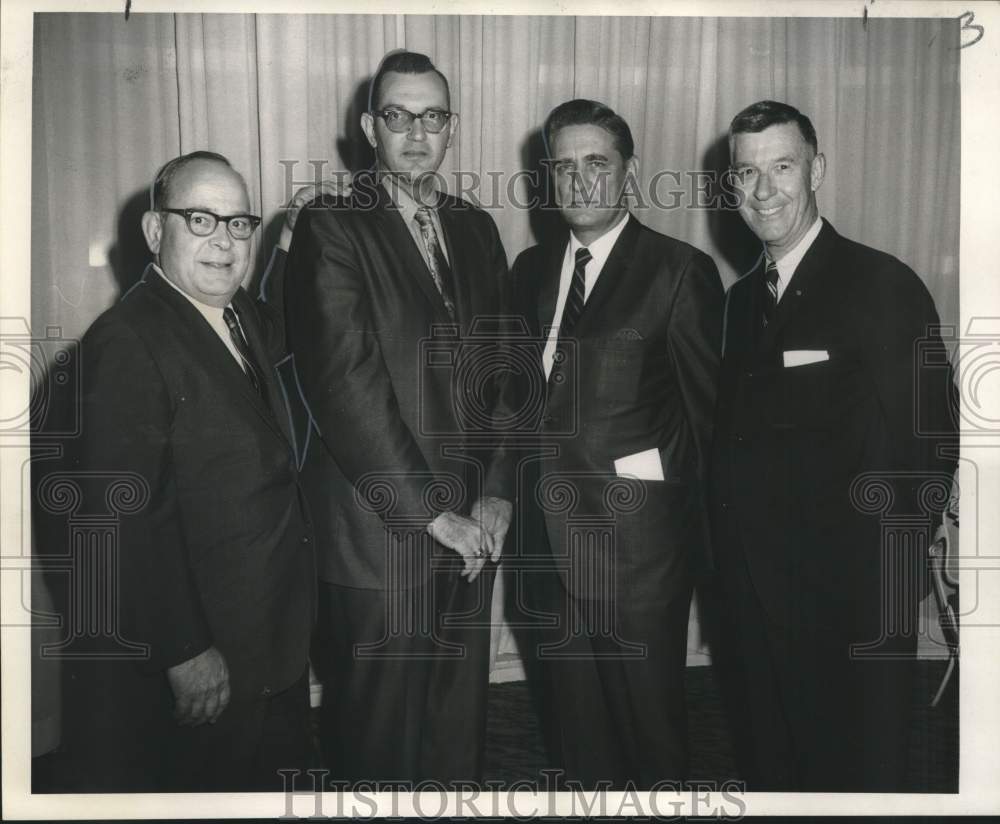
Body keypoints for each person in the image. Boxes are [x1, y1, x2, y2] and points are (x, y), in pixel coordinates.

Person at [707, 100, 958, 791]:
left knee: (853, 784)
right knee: (775, 773)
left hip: (848, 610)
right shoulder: (736, 304)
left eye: (781, 167)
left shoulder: (880, 284)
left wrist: (882, 595)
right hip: (756, 604)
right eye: (746, 173)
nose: (763, 191)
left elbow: (928, 446)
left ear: (816, 169)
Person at [283, 50, 512, 783]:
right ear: (367, 128)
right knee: (379, 747)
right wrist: (431, 515)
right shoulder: (331, 225)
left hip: (471, 528)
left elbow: (506, 375)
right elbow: (346, 385)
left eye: (433, 117)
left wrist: (498, 489)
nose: (417, 132)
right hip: (380, 533)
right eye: (398, 115)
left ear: (452, 129)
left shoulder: (475, 228)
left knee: (455, 733)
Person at [56, 151, 316, 791]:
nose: (224, 242)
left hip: (267, 639)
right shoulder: (126, 342)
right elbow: (116, 520)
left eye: (238, 223)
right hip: (206, 655)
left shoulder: (239, 314)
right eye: (200, 220)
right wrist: (183, 651)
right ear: (154, 232)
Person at [510, 99, 724, 787]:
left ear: (628, 172)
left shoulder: (678, 271)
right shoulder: (530, 272)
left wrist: (669, 530)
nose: (577, 180)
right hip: (547, 551)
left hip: (637, 558)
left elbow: (706, 425)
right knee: (580, 745)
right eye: (562, 166)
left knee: (651, 740)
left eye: (595, 163)